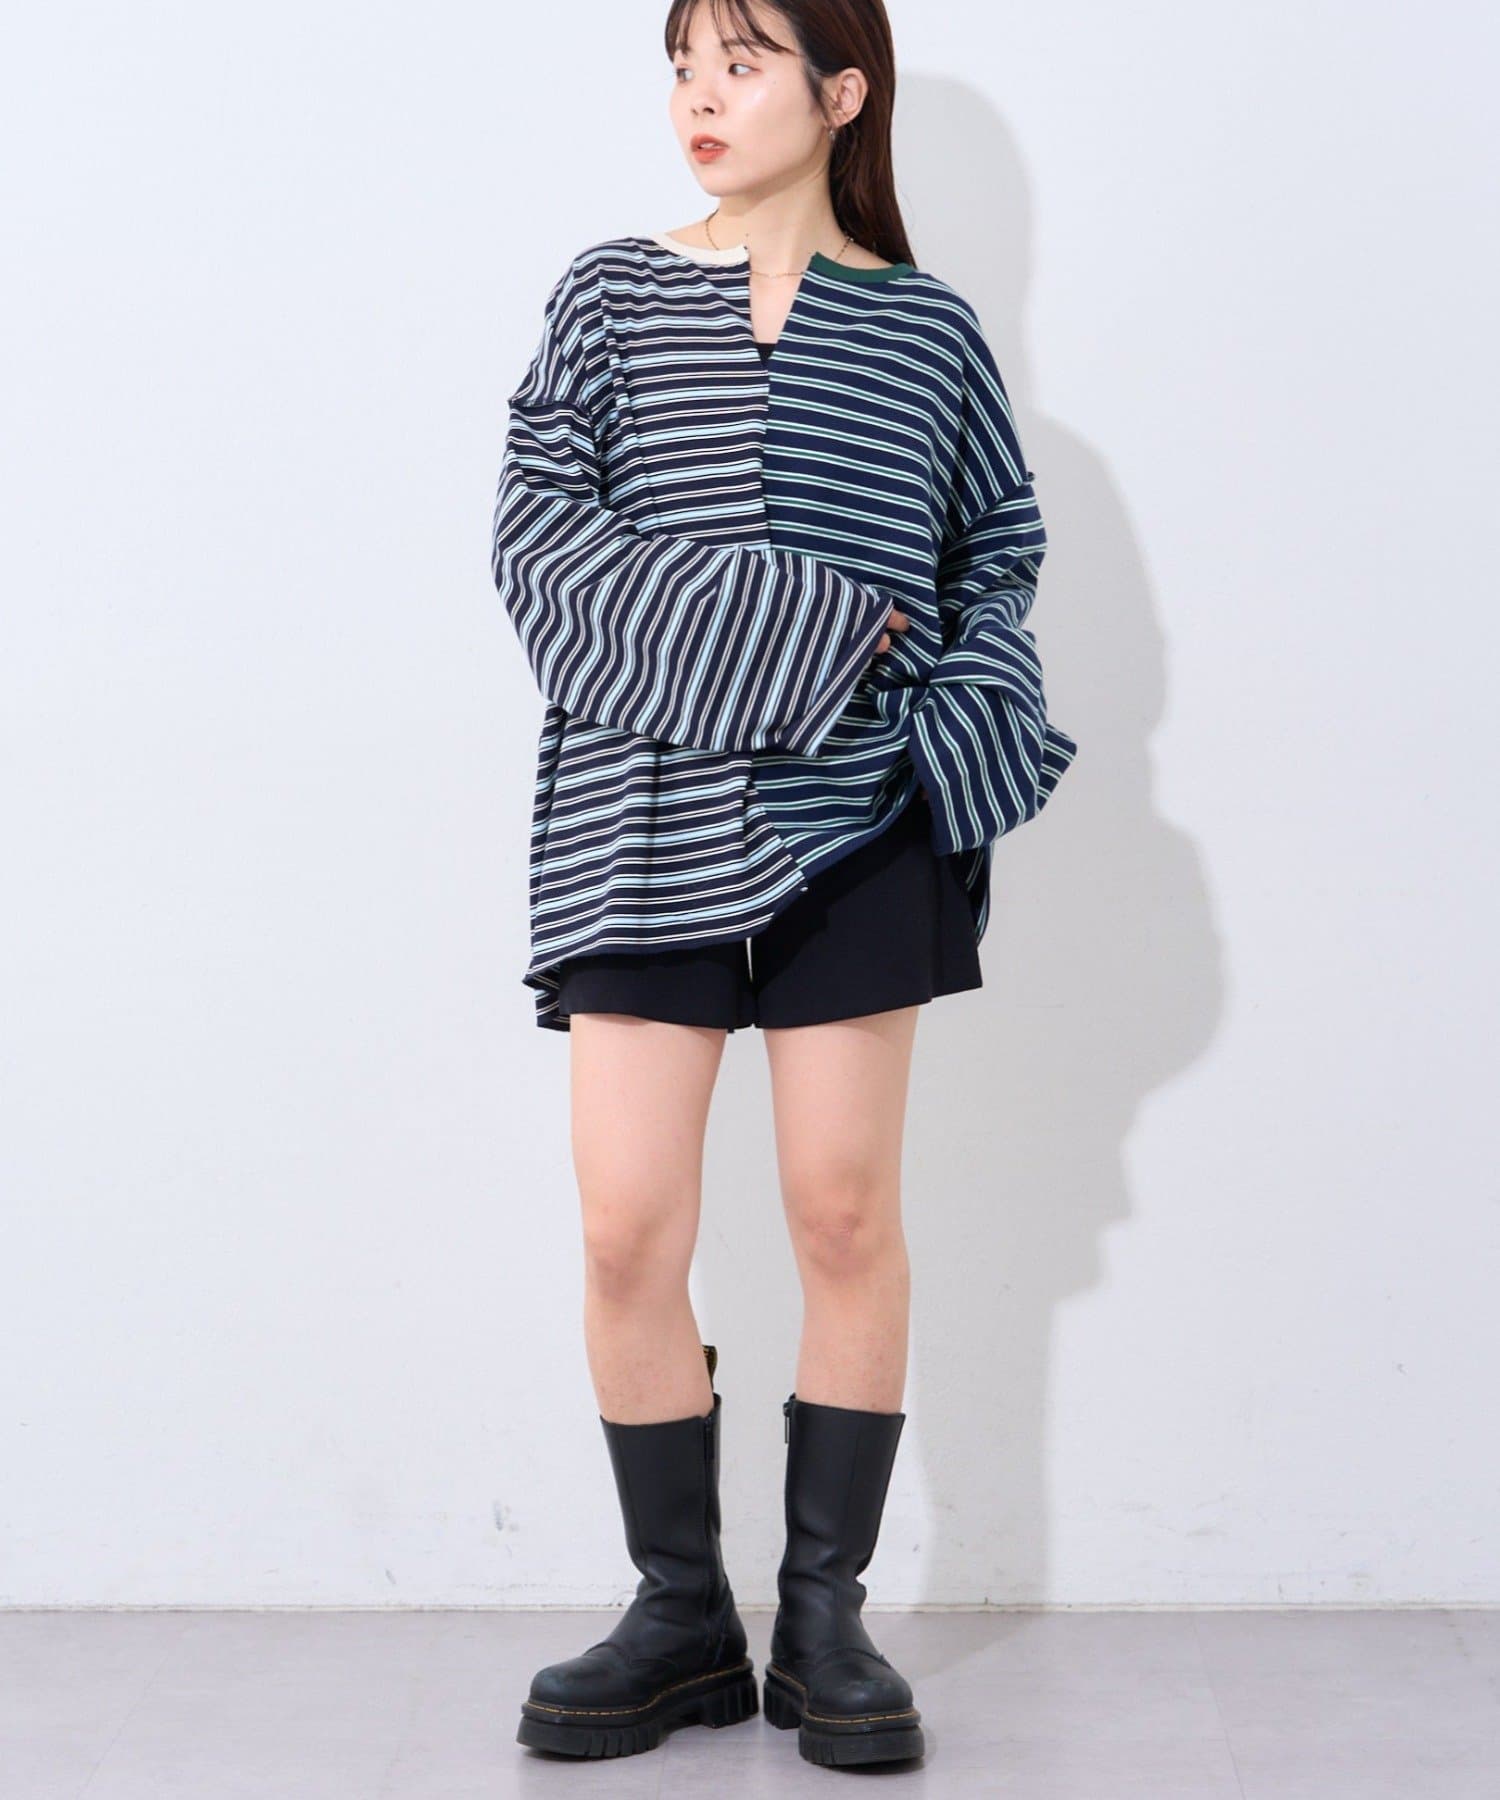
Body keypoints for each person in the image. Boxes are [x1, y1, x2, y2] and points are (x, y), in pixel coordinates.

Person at [495, 0, 1077, 1768]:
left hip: (857, 820)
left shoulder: (926, 329)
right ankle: (681, 1616)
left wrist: (941, 716)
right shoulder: (607, 294)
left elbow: (996, 558)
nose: (699, 96)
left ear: (841, 93)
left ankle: (826, 1620)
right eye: (682, 66)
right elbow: (542, 543)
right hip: (637, 815)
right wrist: (816, 628)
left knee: (840, 1213)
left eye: (740, 63)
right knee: (625, 1227)